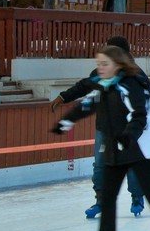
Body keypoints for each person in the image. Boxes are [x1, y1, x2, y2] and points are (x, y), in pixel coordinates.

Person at [52, 44, 150, 231]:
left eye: (104, 64)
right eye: (98, 64)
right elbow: (88, 96)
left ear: (118, 65)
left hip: (140, 147)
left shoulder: (131, 85)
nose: (99, 68)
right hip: (116, 147)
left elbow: (139, 116)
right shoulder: (106, 84)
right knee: (108, 197)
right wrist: (66, 116)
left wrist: (127, 136)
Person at [53, 34, 145, 218]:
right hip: (105, 128)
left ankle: (137, 197)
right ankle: (101, 201)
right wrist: (63, 97)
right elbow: (83, 86)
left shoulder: (135, 75)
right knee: (101, 165)